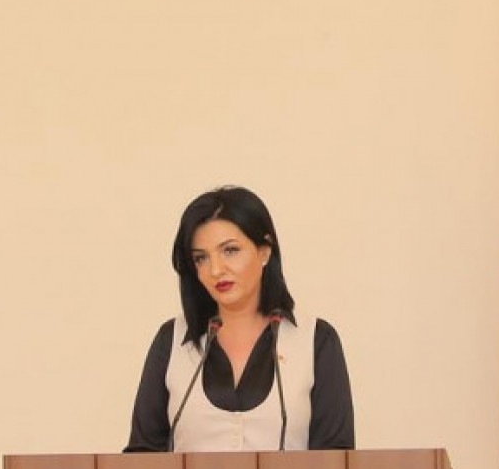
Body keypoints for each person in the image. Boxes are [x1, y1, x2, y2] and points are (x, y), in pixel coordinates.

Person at [125, 186, 354, 453]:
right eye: (201, 258)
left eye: (230, 250)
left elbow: (336, 460)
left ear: (264, 250)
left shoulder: (316, 341)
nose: (216, 269)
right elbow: (141, 457)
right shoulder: (171, 341)